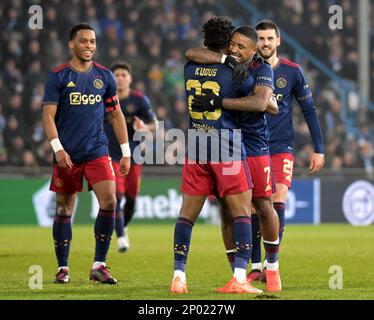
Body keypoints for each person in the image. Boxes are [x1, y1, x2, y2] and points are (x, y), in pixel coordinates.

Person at [171, 16, 267, 295]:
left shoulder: (190, 68)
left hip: (196, 144)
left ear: (205, 42)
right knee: (242, 213)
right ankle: (239, 278)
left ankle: (179, 276)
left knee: (186, 216)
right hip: (225, 144)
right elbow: (260, 102)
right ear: (227, 45)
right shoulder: (236, 74)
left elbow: (192, 52)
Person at [188, 26, 282, 292]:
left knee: (263, 205)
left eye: (242, 47)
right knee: (228, 211)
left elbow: (261, 104)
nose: (235, 50)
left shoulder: (262, 69)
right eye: (233, 44)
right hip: (224, 145)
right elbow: (191, 52)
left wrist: (219, 102)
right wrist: (223, 59)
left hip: (253, 146)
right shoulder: (224, 64)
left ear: (253, 51)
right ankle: (237, 275)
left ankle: (272, 268)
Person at [42, 23, 131, 285]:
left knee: (110, 202)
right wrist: (57, 149)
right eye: (83, 41)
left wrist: (125, 152)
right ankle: (63, 267)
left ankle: (99, 265)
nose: (89, 46)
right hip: (67, 153)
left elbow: (116, 115)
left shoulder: (105, 76)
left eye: (92, 41)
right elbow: (47, 116)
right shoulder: (57, 75)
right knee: (64, 208)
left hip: (97, 150)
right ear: (72, 44)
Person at [246, 20, 325, 281]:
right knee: (255, 207)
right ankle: (256, 267)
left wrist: (319, 148)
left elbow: (309, 110)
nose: (265, 43)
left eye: (270, 38)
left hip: (281, 147)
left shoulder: (292, 71)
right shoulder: (247, 70)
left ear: (278, 41)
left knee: (278, 199)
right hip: (252, 147)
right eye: (260, 39)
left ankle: (272, 266)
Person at [104, 61, 157, 253]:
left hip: (134, 155)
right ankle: (121, 237)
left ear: (130, 78)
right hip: (111, 154)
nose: (120, 78)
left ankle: (121, 226)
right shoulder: (104, 98)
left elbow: (154, 124)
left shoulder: (139, 100)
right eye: (116, 75)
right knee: (116, 196)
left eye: (123, 75)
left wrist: (145, 127)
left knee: (132, 199)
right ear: (111, 78)